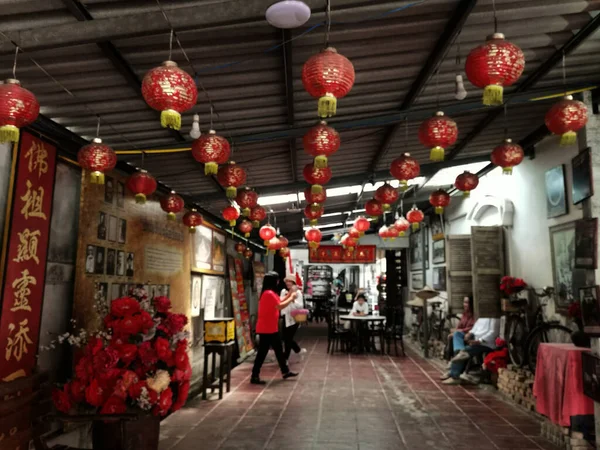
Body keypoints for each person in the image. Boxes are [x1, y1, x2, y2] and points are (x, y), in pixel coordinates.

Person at [251, 271, 298, 385]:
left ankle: (285, 371)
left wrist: (290, 294)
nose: (278, 282)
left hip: (271, 327)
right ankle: (254, 375)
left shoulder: (271, 293)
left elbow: (280, 301)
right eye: (277, 280)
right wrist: (291, 297)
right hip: (266, 328)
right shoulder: (269, 294)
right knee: (262, 353)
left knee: (278, 350)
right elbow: (279, 306)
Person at [441, 317, 501, 384]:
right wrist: (469, 334)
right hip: (474, 340)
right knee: (457, 334)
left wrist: (479, 341)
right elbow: (474, 329)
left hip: (485, 344)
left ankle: (454, 375)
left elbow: (493, 333)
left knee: (465, 351)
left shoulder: (495, 318)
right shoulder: (481, 317)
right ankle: (459, 353)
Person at [280, 275, 306, 361]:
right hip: (285, 317)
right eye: (287, 281)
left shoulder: (298, 293)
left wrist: (293, 299)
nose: (288, 283)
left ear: (293, 283)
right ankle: (298, 350)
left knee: (288, 339)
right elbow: (281, 301)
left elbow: (300, 306)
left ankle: (285, 358)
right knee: (285, 338)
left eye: (290, 281)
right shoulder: (283, 291)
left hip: (294, 319)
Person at [445, 295, 475, 360]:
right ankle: (452, 358)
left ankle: (456, 356)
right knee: (451, 336)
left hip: (469, 334)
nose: (465, 304)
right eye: (464, 302)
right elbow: (459, 325)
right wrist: (456, 330)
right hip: (462, 333)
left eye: (467, 303)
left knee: (455, 335)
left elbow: (472, 327)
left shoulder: (474, 314)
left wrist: (460, 330)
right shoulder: (464, 314)